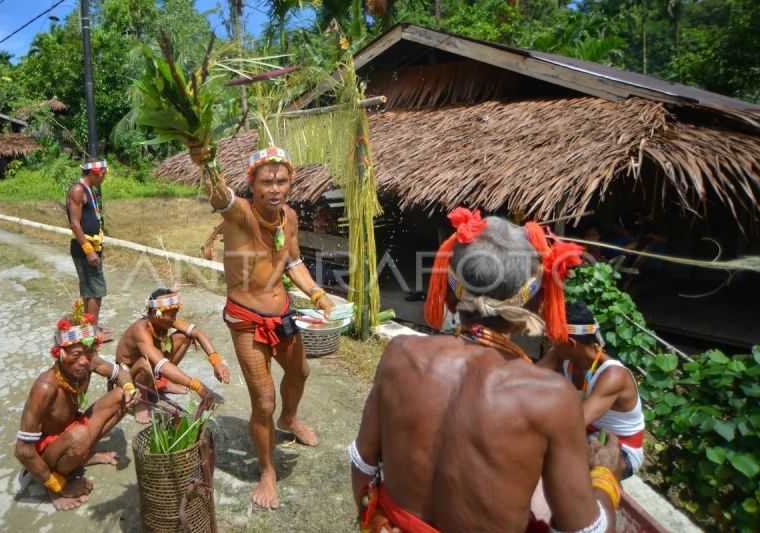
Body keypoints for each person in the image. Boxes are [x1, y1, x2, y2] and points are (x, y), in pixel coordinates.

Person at [351, 209, 624, 532]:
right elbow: (586, 530)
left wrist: (378, 522)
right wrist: (606, 478)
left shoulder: (400, 355)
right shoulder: (550, 398)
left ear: (449, 295)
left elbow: (362, 464)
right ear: (536, 304)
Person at [195, 145, 335, 509]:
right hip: (246, 320)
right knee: (263, 400)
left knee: (300, 371)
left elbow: (294, 262)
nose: (275, 188)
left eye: (282, 181)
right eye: (266, 181)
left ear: (291, 183)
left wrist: (317, 293)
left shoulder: (288, 216)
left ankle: (289, 420)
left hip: (283, 313)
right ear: (252, 183)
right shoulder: (240, 214)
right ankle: (267, 471)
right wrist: (205, 162)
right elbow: (219, 196)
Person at [14, 300, 138, 511]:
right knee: (79, 434)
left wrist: (129, 387)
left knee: (121, 396)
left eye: (88, 353)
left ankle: (84, 456)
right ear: (60, 355)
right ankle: (61, 476)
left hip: (73, 431)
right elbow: (23, 451)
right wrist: (57, 487)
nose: (83, 361)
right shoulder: (45, 387)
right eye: (75, 355)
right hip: (48, 454)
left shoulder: (90, 361)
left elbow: (121, 373)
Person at [537, 301, 645, 479]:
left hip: (621, 448)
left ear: (571, 343)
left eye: (553, 340)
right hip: (587, 435)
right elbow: (529, 378)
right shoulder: (562, 354)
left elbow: (574, 423)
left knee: (556, 457)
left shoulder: (613, 376)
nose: (550, 344)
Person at [115, 288, 222, 423]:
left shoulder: (166, 319)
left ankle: (161, 382)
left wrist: (216, 361)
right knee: (146, 363)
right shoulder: (140, 330)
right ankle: (142, 397)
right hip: (129, 375)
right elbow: (162, 364)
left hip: (155, 364)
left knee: (184, 337)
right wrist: (197, 386)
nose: (173, 319)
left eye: (175, 314)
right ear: (155, 313)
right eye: (171, 315)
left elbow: (197, 333)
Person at [66, 157, 110, 341]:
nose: (104, 178)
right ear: (94, 172)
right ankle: (91, 333)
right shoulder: (78, 190)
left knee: (91, 289)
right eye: (103, 175)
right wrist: (88, 250)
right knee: (95, 290)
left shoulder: (89, 189)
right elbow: (75, 224)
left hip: (93, 246)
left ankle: (92, 327)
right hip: (85, 249)